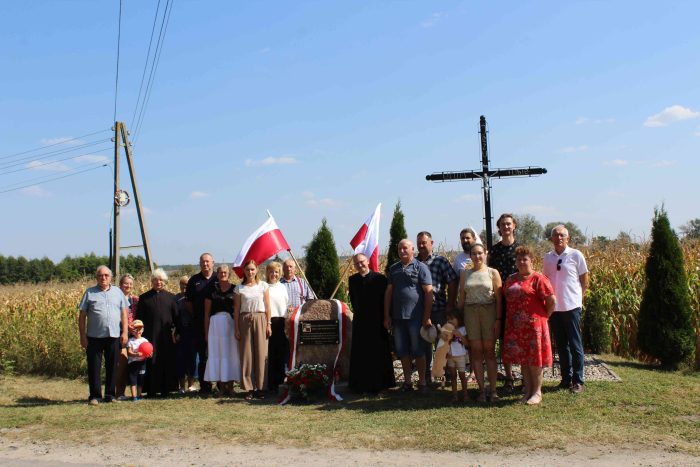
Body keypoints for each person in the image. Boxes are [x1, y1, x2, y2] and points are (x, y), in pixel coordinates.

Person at [503, 246, 556, 405]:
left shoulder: (538, 278)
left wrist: (544, 316)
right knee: (523, 360)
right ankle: (527, 391)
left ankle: (537, 392)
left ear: (532, 260)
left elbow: (552, 300)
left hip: (535, 327)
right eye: (518, 259)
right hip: (516, 326)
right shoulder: (511, 279)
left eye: (525, 259)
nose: (521, 262)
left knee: (535, 361)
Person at [543, 225, 589, 394]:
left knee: (575, 344)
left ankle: (578, 381)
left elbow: (584, 280)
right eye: (555, 235)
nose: (559, 238)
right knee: (562, 346)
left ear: (568, 238)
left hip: (572, 307)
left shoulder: (576, 255)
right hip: (555, 308)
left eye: (562, 235)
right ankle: (565, 379)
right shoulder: (548, 258)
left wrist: (578, 299)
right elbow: (546, 281)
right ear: (551, 239)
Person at [384, 239, 433, 394]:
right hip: (398, 318)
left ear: (412, 249)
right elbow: (389, 293)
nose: (402, 251)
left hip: (416, 318)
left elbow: (429, 293)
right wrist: (387, 315)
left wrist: (426, 317)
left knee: (418, 350)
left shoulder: (421, 267)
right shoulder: (394, 269)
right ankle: (407, 382)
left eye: (405, 248)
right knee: (402, 351)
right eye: (399, 249)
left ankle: (423, 382)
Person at [457, 243, 503, 402]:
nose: (477, 257)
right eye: (474, 254)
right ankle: (482, 391)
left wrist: (498, 319)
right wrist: (457, 319)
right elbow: (461, 299)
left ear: (485, 254)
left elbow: (499, 298)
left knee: (489, 351)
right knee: (476, 351)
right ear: (470, 256)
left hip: (489, 311)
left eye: (480, 253)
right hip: (471, 312)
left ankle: (494, 390)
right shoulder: (465, 274)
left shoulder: (493, 272)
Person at [78, 265, 129, 405]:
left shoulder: (118, 292)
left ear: (111, 277)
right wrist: (82, 336)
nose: (103, 278)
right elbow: (82, 316)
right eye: (100, 275)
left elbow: (124, 313)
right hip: (94, 337)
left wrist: (124, 332)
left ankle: (110, 395)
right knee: (94, 366)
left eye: (106, 275)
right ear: (96, 277)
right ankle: (95, 396)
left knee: (113, 366)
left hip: (113, 336)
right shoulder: (90, 293)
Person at [348, 253, 396, 395]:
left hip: (378, 322)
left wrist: (387, 318)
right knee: (362, 355)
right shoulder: (352, 280)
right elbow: (353, 300)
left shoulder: (380, 279)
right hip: (361, 323)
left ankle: (382, 386)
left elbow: (386, 300)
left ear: (367, 261)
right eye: (357, 264)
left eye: (362, 262)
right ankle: (362, 386)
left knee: (379, 354)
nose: (360, 265)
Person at [416, 231, 458, 382]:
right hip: (420, 311)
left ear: (431, 243)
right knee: (424, 343)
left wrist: (450, 304)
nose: (421, 246)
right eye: (419, 243)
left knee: (442, 343)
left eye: (424, 243)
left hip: (439, 308)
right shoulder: (414, 263)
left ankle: (445, 374)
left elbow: (453, 281)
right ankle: (427, 376)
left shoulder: (440, 261)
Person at [488, 213, 520, 392]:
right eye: (502, 225)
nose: (506, 227)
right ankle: (508, 377)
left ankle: (524, 376)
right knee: (504, 340)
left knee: (522, 339)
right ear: (499, 228)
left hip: (519, 301)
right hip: (500, 300)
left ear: (514, 226)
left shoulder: (520, 249)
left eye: (509, 224)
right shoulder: (494, 250)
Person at [138, 268, 179, 397]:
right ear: (152, 281)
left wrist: (177, 333)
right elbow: (139, 319)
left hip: (167, 337)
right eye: (155, 279)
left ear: (164, 281)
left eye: (160, 280)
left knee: (167, 361)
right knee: (151, 361)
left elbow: (176, 318)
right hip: (149, 337)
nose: (158, 282)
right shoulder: (144, 298)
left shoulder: (171, 298)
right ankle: (151, 390)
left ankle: (167, 389)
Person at [234, 260, 272, 400]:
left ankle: (261, 387)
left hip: (261, 318)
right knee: (247, 354)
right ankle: (248, 388)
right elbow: (236, 309)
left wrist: (268, 324)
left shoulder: (263, 285)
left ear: (256, 270)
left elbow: (268, 306)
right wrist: (236, 328)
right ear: (244, 271)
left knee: (261, 354)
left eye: (252, 269)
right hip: (244, 320)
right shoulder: (239, 288)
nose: (250, 272)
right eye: (247, 270)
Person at [203, 265, 240, 396]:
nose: (223, 274)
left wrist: (237, 329)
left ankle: (230, 387)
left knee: (230, 355)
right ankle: (221, 388)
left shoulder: (235, 289)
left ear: (229, 274)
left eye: (225, 272)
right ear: (217, 274)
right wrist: (206, 332)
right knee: (218, 355)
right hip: (215, 327)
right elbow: (206, 314)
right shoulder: (211, 290)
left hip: (230, 325)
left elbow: (237, 310)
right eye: (220, 272)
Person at [186, 253, 217, 394]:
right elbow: (189, 303)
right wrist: (196, 316)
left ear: (213, 263)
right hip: (199, 324)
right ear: (200, 263)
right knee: (203, 356)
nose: (205, 264)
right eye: (203, 262)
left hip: (218, 323)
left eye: (208, 262)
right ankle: (205, 386)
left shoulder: (219, 278)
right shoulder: (194, 280)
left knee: (218, 354)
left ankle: (221, 385)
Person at [115, 273, 140, 399]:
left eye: (130, 284)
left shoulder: (135, 299)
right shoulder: (115, 298)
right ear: (120, 285)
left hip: (134, 336)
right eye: (125, 283)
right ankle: (119, 392)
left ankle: (136, 393)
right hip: (120, 334)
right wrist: (126, 327)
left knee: (134, 365)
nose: (128, 286)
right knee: (122, 364)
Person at [266, 261, 289, 392]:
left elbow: (285, 305)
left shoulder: (282, 287)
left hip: (282, 322)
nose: (274, 274)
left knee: (281, 353)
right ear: (267, 273)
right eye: (271, 271)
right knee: (270, 354)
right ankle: (270, 383)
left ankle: (280, 381)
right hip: (269, 322)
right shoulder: (264, 287)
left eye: (276, 272)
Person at [175, 275, 197, 393]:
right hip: (180, 332)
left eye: (187, 284)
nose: (184, 286)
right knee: (180, 359)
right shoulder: (175, 299)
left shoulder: (193, 298)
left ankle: (191, 384)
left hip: (192, 331)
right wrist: (176, 332)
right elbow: (173, 318)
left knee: (192, 358)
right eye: (182, 284)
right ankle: (181, 386)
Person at [445, 311, 469, 403]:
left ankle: (465, 394)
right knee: (453, 376)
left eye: (452, 319)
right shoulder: (447, 330)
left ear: (458, 319)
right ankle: (454, 395)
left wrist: (460, 335)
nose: (450, 321)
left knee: (462, 376)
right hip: (451, 356)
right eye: (448, 319)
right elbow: (444, 344)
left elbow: (467, 343)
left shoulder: (463, 329)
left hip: (461, 356)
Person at [126, 319, 149, 401]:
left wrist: (149, 354)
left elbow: (149, 350)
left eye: (140, 329)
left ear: (143, 330)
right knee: (133, 380)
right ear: (132, 331)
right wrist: (136, 354)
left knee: (141, 380)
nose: (138, 331)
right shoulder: (130, 341)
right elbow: (128, 352)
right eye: (136, 329)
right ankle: (134, 396)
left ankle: (139, 395)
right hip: (133, 363)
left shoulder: (145, 340)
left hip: (142, 363)